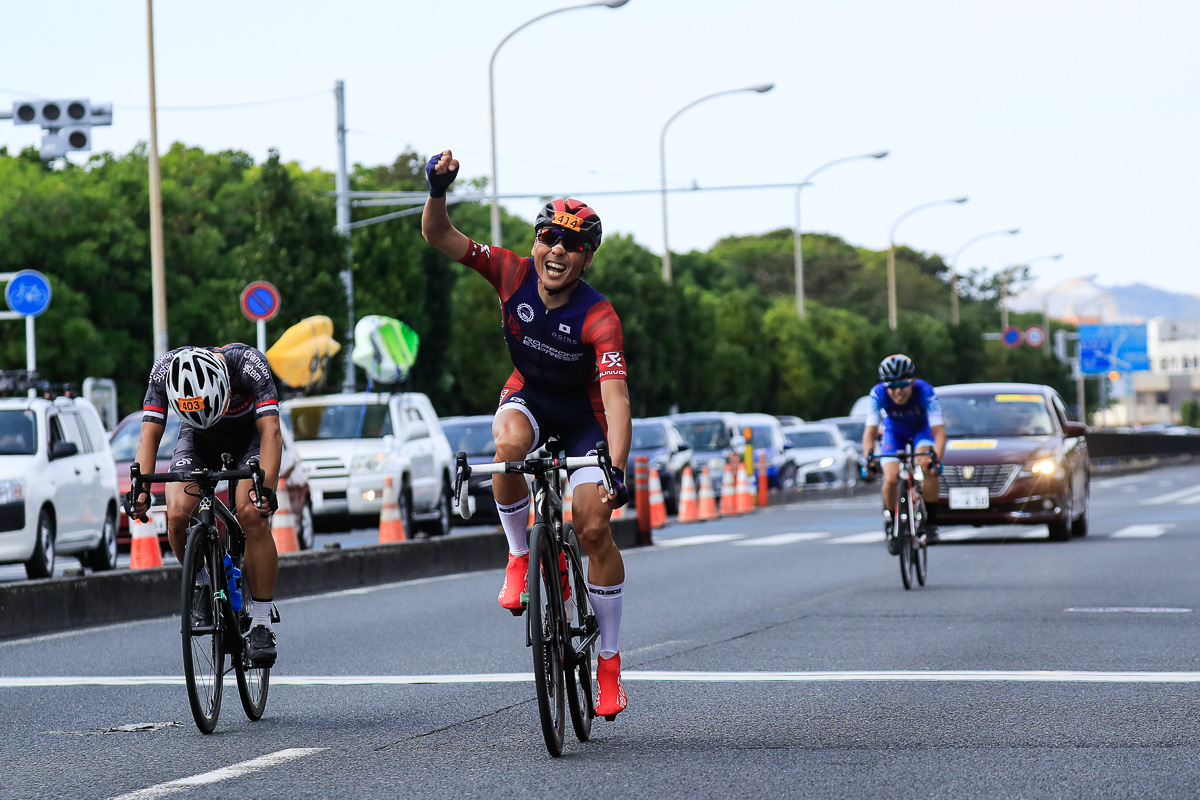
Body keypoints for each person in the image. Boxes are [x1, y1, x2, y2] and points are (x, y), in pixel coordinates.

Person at [421, 149, 633, 720]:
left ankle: (608, 660)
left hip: (585, 419)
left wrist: (613, 467)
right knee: (506, 448)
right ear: (536, 242)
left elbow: (616, 401)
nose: (556, 250)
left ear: (586, 258)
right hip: (531, 399)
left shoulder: (599, 316)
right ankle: (520, 554)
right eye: (548, 238)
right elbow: (439, 235)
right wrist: (437, 189)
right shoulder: (510, 271)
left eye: (571, 244)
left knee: (591, 529)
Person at [129, 345, 283, 666]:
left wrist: (265, 490)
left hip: (248, 438)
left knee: (251, 511)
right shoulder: (164, 371)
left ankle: (261, 623)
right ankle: (201, 581)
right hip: (198, 437)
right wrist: (140, 489)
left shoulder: (248, 365)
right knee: (177, 513)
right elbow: (149, 436)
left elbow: (271, 431)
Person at [861, 354, 946, 549]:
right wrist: (869, 459)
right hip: (895, 432)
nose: (897, 391)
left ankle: (931, 523)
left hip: (921, 430)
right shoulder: (877, 394)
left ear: (912, 381)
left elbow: (939, 432)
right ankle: (891, 522)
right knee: (891, 477)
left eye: (902, 385)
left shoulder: (925, 391)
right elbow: (870, 433)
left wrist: (937, 460)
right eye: (891, 386)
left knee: (926, 465)